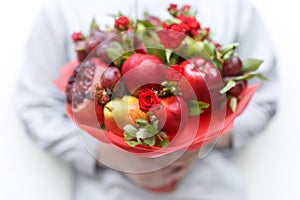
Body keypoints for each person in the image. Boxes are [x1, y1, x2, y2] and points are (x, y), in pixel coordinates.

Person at [14, 0, 278, 199]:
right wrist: (105, 153)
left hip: (211, 189)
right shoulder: (63, 8)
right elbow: (36, 107)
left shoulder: (230, 5)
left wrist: (199, 141)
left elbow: (264, 98)